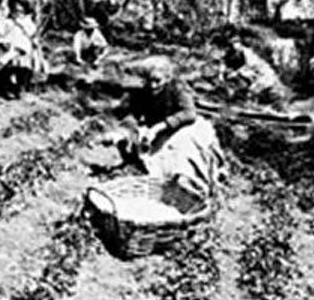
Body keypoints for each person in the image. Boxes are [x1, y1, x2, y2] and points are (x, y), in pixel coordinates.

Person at [114, 56, 227, 199]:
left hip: (184, 126)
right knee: (139, 147)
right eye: (149, 80)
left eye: (157, 81)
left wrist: (160, 126)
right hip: (159, 129)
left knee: (184, 149)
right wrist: (128, 129)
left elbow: (189, 113)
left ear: (167, 78)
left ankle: (190, 184)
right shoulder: (144, 92)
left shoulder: (177, 88)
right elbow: (133, 113)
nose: (153, 85)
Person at [0, 0, 44, 98]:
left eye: (20, 11)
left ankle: (21, 89)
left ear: (25, 11)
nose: (17, 14)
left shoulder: (28, 24)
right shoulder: (8, 22)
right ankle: (5, 89)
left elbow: (33, 36)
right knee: (7, 70)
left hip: (22, 52)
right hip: (8, 49)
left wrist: (35, 45)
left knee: (22, 70)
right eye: (14, 11)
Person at [222, 38, 288, 109]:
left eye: (236, 45)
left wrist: (237, 73)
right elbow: (224, 62)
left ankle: (252, 105)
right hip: (257, 77)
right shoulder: (233, 55)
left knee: (253, 90)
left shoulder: (248, 54)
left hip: (264, 78)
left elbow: (251, 66)